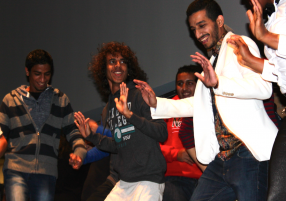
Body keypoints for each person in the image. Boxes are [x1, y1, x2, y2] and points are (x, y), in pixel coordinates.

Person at [134, 0, 278, 200]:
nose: (198, 34)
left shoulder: (240, 45)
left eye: (202, 25)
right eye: (193, 29)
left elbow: (264, 88)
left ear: (219, 21)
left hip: (248, 152)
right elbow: (196, 105)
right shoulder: (211, 63)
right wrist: (156, 103)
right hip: (223, 158)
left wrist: (219, 83)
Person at [75, 41, 168, 201]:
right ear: (103, 69)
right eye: (112, 62)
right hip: (124, 182)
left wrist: (130, 115)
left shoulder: (139, 94)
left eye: (123, 61)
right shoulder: (109, 107)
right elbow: (118, 145)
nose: (118, 66)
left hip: (148, 180)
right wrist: (91, 136)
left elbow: (162, 133)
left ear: (129, 68)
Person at [226, 0, 286, 200]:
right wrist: (249, 59)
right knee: (280, 193)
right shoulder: (271, 20)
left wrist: (266, 37)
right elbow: (283, 74)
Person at [0, 49, 86, 201]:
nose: (43, 79)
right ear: (27, 71)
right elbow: (1, 135)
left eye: (47, 74)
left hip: (46, 172)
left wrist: (79, 153)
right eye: (37, 73)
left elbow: (73, 131)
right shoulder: (10, 100)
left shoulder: (60, 99)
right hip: (16, 170)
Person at [161, 65, 205, 201]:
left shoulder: (207, 107)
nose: (184, 88)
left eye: (189, 83)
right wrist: (176, 154)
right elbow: (151, 145)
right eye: (180, 84)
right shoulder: (165, 108)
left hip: (205, 179)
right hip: (175, 178)